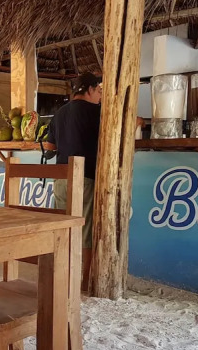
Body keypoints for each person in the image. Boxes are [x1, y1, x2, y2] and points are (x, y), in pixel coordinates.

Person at [44, 72, 145, 289]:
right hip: (85, 178)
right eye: (99, 91)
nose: (100, 96)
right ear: (89, 89)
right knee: (86, 231)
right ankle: (84, 281)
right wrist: (137, 122)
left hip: (61, 178)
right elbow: (123, 131)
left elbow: (50, 147)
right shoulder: (98, 112)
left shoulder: (59, 113)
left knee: (64, 227)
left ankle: (63, 275)